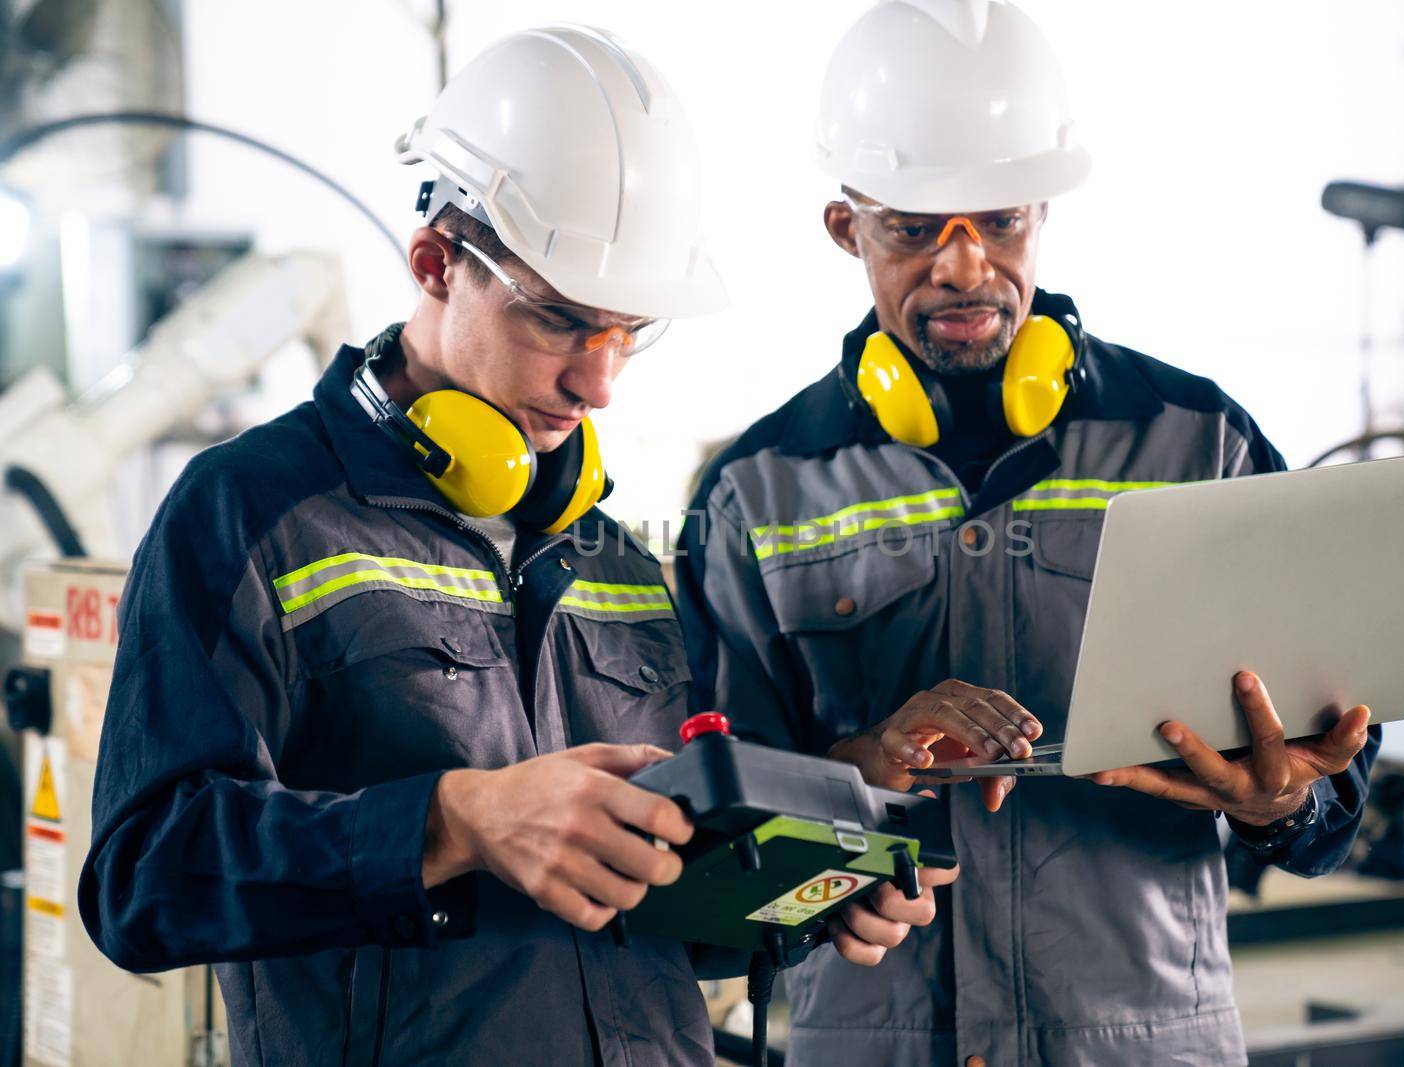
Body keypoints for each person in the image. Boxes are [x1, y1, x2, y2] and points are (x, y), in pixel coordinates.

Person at [78, 25, 940, 1067]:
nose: (601, 382)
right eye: (561, 320)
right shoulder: (252, 511)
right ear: (436, 263)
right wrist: (453, 820)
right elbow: (143, 882)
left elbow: (659, 914)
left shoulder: (616, 557)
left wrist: (800, 902)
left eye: (630, 331)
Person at [675, 2, 1379, 1064]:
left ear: (1042, 208)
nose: (964, 269)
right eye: (915, 229)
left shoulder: (1199, 443)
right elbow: (712, 863)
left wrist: (1290, 801)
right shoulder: (755, 491)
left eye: (1000, 222)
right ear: (844, 226)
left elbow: (1332, 792)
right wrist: (865, 763)